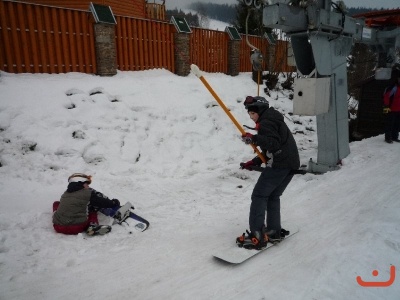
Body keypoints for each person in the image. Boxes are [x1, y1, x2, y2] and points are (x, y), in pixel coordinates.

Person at [236, 96, 300, 250]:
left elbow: (273, 143)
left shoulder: (266, 122)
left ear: (259, 110)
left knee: (259, 195)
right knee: (272, 196)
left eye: (252, 113)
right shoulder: (273, 119)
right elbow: (274, 147)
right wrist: (256, 161)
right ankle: (273, 231)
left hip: (280, 165)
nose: (251, 117)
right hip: (290, 163)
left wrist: (254, 138)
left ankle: (257, 236)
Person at [52, 173, 120, 236]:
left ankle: (57, 215)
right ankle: (92, 225)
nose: (88, 186)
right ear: (80, 183)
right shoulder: (88, 193)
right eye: (87, 184)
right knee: (92, 207)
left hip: (58, 227)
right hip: (76, 227)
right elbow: (101, 202)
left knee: (57, 203)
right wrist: (113, 203)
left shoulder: (65, 193)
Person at [383, 73, 400, 144]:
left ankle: (394, 137)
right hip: (391, 109)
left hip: (399, 110)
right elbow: (386, 96)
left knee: (397, 124)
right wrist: (386, 106)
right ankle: (388, 138)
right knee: (390, 124)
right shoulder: (394, 88)